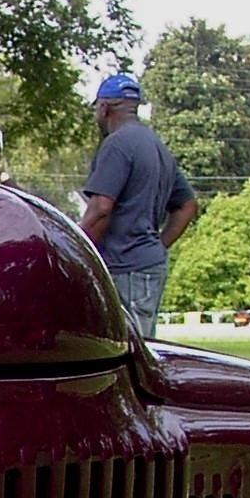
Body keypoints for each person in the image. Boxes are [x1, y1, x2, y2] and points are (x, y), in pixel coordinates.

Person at [78, 73, 197, 338]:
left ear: (104, 107)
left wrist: (74, 253)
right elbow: (187, 205)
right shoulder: (156, 146)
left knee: (128, 355)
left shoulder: (117, 145)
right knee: (144, 347)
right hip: (148, 265)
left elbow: (101, 210)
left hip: (124, 269)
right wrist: (157, 245)